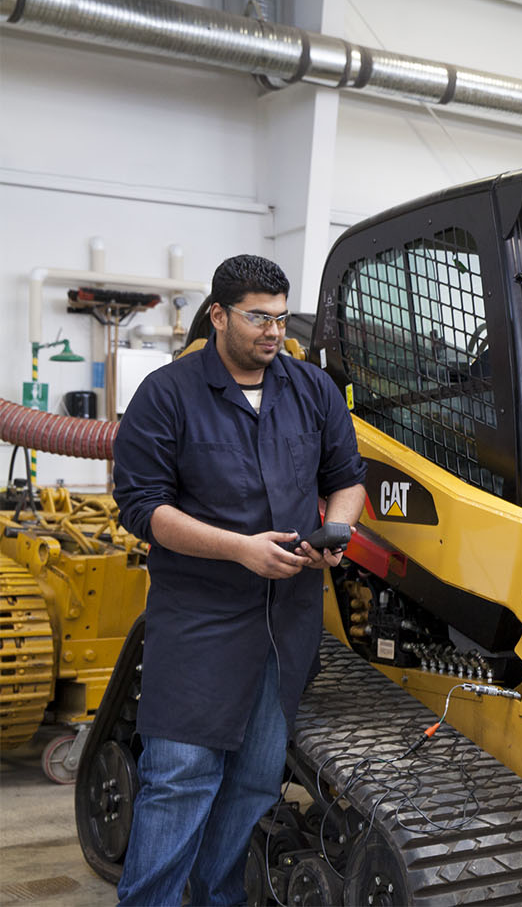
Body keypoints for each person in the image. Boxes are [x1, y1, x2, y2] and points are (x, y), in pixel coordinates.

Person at [112, 255, 366, 906]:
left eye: (281, 317)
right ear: (219, 314)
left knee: (255, 780)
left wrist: (335, 534)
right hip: (200, 620)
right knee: (180, 777)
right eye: (258, 316)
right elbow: (143, 507)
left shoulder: (312, 389)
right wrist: (239, 550)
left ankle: (216, 897)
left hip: (286, 621)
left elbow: (347, 479)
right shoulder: (168, 394)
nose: (274, 331)